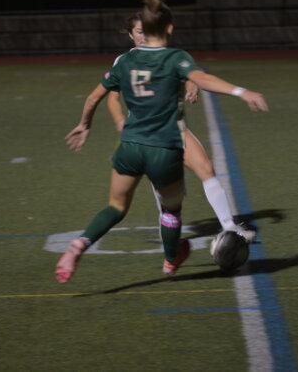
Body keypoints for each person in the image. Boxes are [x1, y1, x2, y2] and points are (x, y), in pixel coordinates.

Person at [55, 0, 268, 283]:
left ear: (146, 29)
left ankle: (79, 245)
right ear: (169, 28)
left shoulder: (127, 62)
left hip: (131, 145)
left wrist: (84, 124)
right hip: (165, 145)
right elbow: (201, 77)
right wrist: (241, 91)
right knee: (171, 210)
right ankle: (170, 261)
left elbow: (94, 97)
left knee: (116, 206)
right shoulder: (174, 57)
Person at [106, 13, 256, 241]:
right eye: (139, 32)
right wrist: (119, 118)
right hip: (146, 136)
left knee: (206, 168)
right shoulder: (124, 61)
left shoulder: (169, 55)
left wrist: (191, 87)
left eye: (148, 31)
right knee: (166, 198)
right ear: (130, 35)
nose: (144, 36)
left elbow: (190, 77)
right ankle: (170, 241)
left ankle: (230, 227)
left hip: (174, 128)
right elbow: (112, 97)